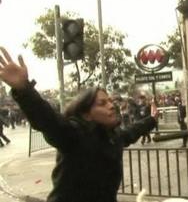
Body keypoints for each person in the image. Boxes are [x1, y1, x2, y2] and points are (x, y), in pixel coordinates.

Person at [0, 47, 156, 202]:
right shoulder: (74, 134)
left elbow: (132, 131)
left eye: (110, 101)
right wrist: (24, 90)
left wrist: (152, 119)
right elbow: (48, 120)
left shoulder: (114, 136)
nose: (111, 105)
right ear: (86, 113)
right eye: (102, 103)